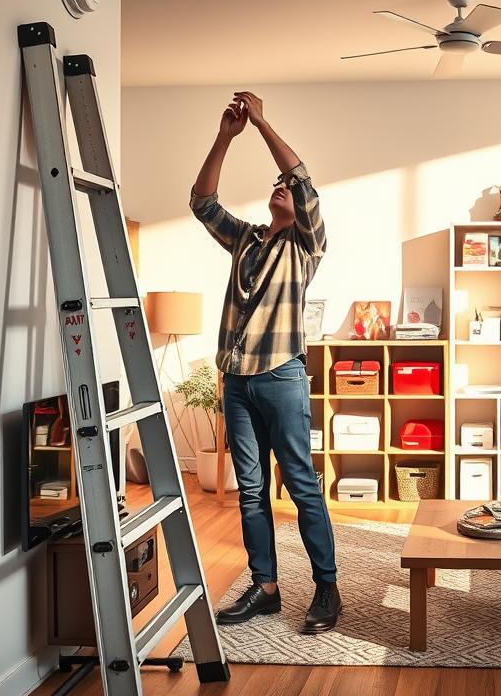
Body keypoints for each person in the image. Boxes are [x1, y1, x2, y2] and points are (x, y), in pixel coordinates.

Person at [189, 91, 340, 633]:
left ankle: (327, 589)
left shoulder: (306, 244)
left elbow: (301, 177)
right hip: (236, 382)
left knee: (300, 483)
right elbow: (201, 202)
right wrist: (226, 137)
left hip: (281, 378)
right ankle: (267, 588)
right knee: (250, 489)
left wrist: (261, 123)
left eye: (287, 190)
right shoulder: (246, 239)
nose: (281, 187)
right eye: (274, 186)